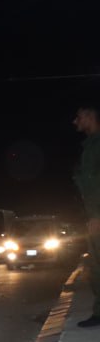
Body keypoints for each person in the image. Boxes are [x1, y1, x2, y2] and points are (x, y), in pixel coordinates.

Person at [73, 100, 100, 327]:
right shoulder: (90, 145)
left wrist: (97, 215)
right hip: (92, 213)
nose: (75, 121)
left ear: (91, 117)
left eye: (79, 116)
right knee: (95, 266)